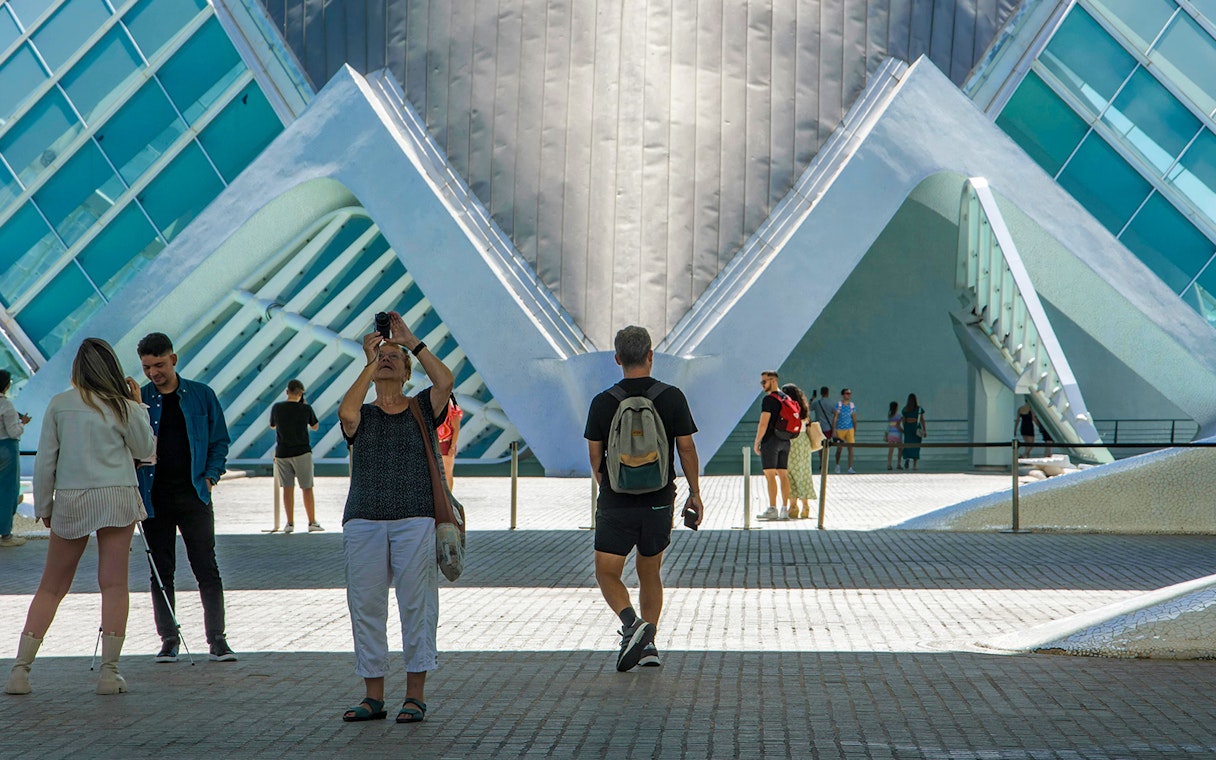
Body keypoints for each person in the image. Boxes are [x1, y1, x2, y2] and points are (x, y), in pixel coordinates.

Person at [4, 339, 154, 695]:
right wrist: (137, 408)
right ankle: (109, 672)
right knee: (114, 584)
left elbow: (45, 461)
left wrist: (44, 506)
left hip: (72, 498)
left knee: (52, 585)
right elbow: (146, 451)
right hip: (117, 494)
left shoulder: (60, 405)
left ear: (77, 370)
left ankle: (20, 672)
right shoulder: (124, 408)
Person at [338, 311, 454, 724]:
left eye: (393, 358)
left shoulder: (422, 405)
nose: (387, 359)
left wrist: (411, 343)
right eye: (380, 355)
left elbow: (445, 382)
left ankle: (415, 695)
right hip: (364, 519)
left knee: (416, 606)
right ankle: (373, 695)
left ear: (406, 371)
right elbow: (346, 412)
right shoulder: (363, 414)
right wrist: (369, 363)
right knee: (366, 605)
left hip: (415, 519)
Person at [585, 326, 701, 671]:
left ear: (617, 359)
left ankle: (630, 624)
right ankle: (648, 644)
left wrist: (609, 485)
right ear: (651, 355)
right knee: (650, 570)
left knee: (607, 571)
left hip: (616, 498)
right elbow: (686, 448)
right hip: (659, 498)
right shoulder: (672, 397)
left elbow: (595, 457)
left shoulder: (603, 402)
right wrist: (694, 493)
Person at [136, 333, 236, 664]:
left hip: (194, 493)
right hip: (154, 497)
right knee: (160, 570)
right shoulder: (140, 399)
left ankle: (217, 639)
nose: (154, 373)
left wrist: (211, 475)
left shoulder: (201, 395)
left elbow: (220, 439)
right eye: (148, 367)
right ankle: (168, 639)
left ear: (174, 359)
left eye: (160, 365)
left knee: (206, 565)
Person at [270, 379, 321, 533]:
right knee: (306, 487)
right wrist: (303, 406)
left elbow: (272, 425)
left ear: (287, 392)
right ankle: (312, 522)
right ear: (300, 393)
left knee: (287, 488)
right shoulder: (306, 409)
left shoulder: (277, 408)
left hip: (283, 452)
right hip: (302, 452)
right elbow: (315, 426)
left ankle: (290, 523)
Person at [752, 371, 791, 520]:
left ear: (773, 381)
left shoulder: (768, 400)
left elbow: (763, 424)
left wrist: (757, 442)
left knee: (770, 476)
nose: (762, 385)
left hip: (771, 441)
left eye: (764, 382)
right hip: (786, 440)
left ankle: (773, 508)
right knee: (783, 475)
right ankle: (785, 509)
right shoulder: (786, 398)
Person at [0, 370, 30, 547]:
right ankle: (6, 535)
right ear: (7, 385)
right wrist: (22, 423)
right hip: (7, 449)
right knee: (8, 490)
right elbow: (13, 431)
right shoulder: (7, 405)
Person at [782, 383, 816, 518]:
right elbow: (807, 422)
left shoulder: (787, 407)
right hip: (803, 441)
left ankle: (793, 506)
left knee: (790, 474)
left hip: (792, 440)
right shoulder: (803, 409)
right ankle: (805, 506)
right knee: (803, 473)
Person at [436, 394, 462, 488]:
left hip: (447, 443)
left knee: (447, 472)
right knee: (437, 473)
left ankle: (449, 496)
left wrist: (452, 446)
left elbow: (456, 429)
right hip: (436, 443)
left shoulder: (453, 413)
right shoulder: (435, 412)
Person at [832, 389, 858, 474]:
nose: (849, 395)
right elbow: (835, 418)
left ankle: (850, 467)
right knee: (839, 449)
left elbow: (854, 418)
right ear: (843, 395)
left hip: (849, 429)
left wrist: (855, 429)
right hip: (840, 429)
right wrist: (834, 430)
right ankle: (837, 465)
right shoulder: (839, 405)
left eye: (850, 393)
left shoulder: (852, 405)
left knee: (851, 448)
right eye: (847, 393)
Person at [811, 386, 834, 473]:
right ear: (828, 393)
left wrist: (812, 398)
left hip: (819, 428)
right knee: (826, 446)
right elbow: (835, 414)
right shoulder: (831, 403)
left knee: (821, 446)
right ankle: (826, 463)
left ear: (821, 393)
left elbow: (808, 408)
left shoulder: (817, 403)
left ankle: (822, 462)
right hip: (828, 427)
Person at [901, 394, 926, 472]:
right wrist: (924, 430)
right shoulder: (919, 409)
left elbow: (903, 421)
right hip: (916, 429)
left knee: (907, 444)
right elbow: (922, 420)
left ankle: (907, 458)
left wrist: (905, 428)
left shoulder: (905, 409)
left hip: (908, 428)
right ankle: (915, 465)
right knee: (916, 446)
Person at [886, 401, 902, 471]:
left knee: (891, 450)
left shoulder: (890, 416)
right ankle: (899, 464)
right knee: (900, 450)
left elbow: (889, 426)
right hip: (898, 434)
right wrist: (903, 431)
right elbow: (898, 426)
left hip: (891, 434)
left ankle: (889, 464)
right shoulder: (899, 416)